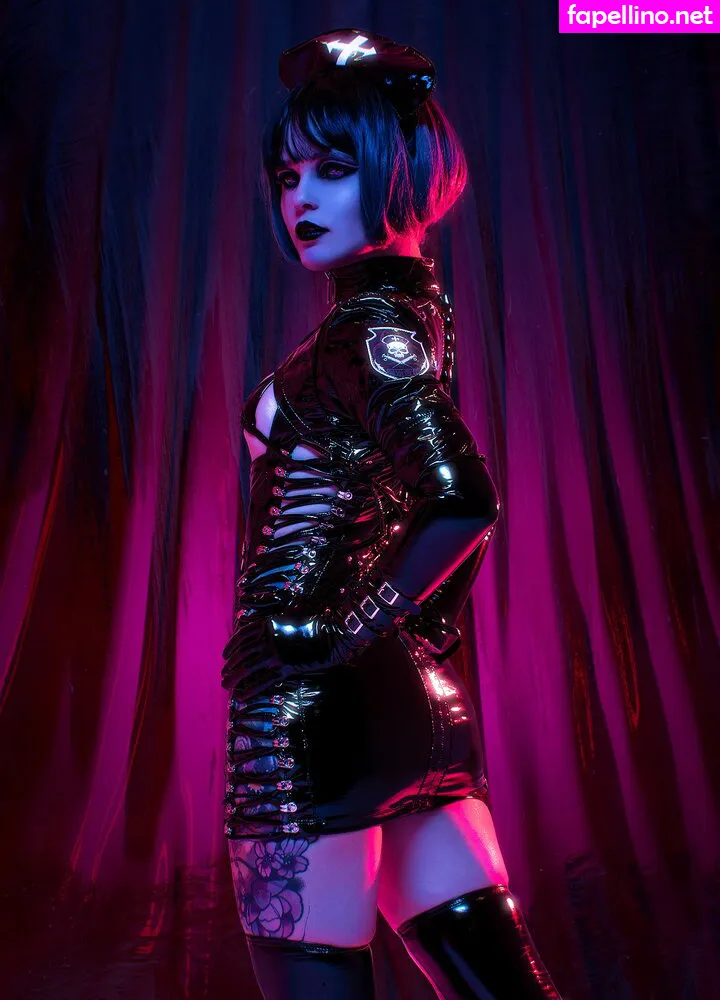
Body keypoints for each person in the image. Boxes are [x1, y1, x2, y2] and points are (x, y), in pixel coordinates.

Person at [221, 27, 565, 1000]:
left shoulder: (363, 331)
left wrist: (331, 632)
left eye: (333, 171)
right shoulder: (416, 321)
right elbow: (424, 506)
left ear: (401, 172)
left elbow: (463, 500)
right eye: (288, 176)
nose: (300, 199)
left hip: (308, 721)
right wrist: (405, 630)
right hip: (414, 714)